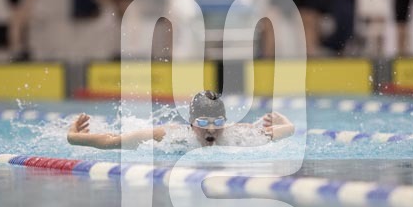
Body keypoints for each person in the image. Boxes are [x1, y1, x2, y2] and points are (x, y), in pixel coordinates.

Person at [67, 91, 295, 149]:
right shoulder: (170, 136)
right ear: (191, 122)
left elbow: (289, 129)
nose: (212, 129)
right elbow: (112, 141)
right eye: (203, 123)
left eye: (218, 123)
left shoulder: (238, 134)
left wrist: (280, 118)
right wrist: (73, 137)